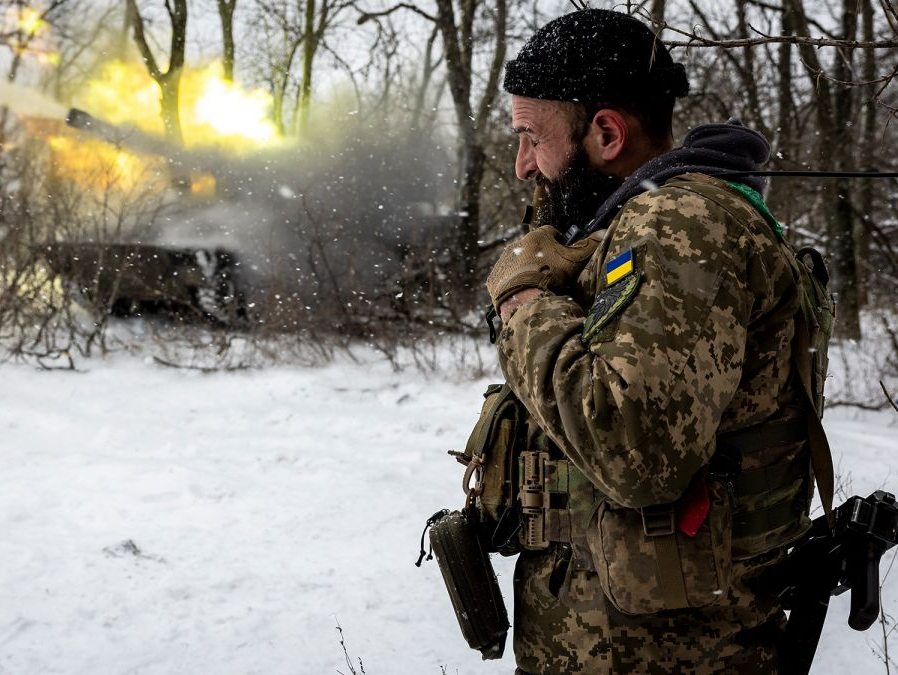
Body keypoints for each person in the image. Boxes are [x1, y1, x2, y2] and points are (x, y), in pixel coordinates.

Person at [484, 8, 827, 674]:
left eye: (531, 137)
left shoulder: (679, 224)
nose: (524, 165)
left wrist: (524, 304)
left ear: (607, 133)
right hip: (621, 642)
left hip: (663, 654)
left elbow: (635, 453)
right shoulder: (641, 226)